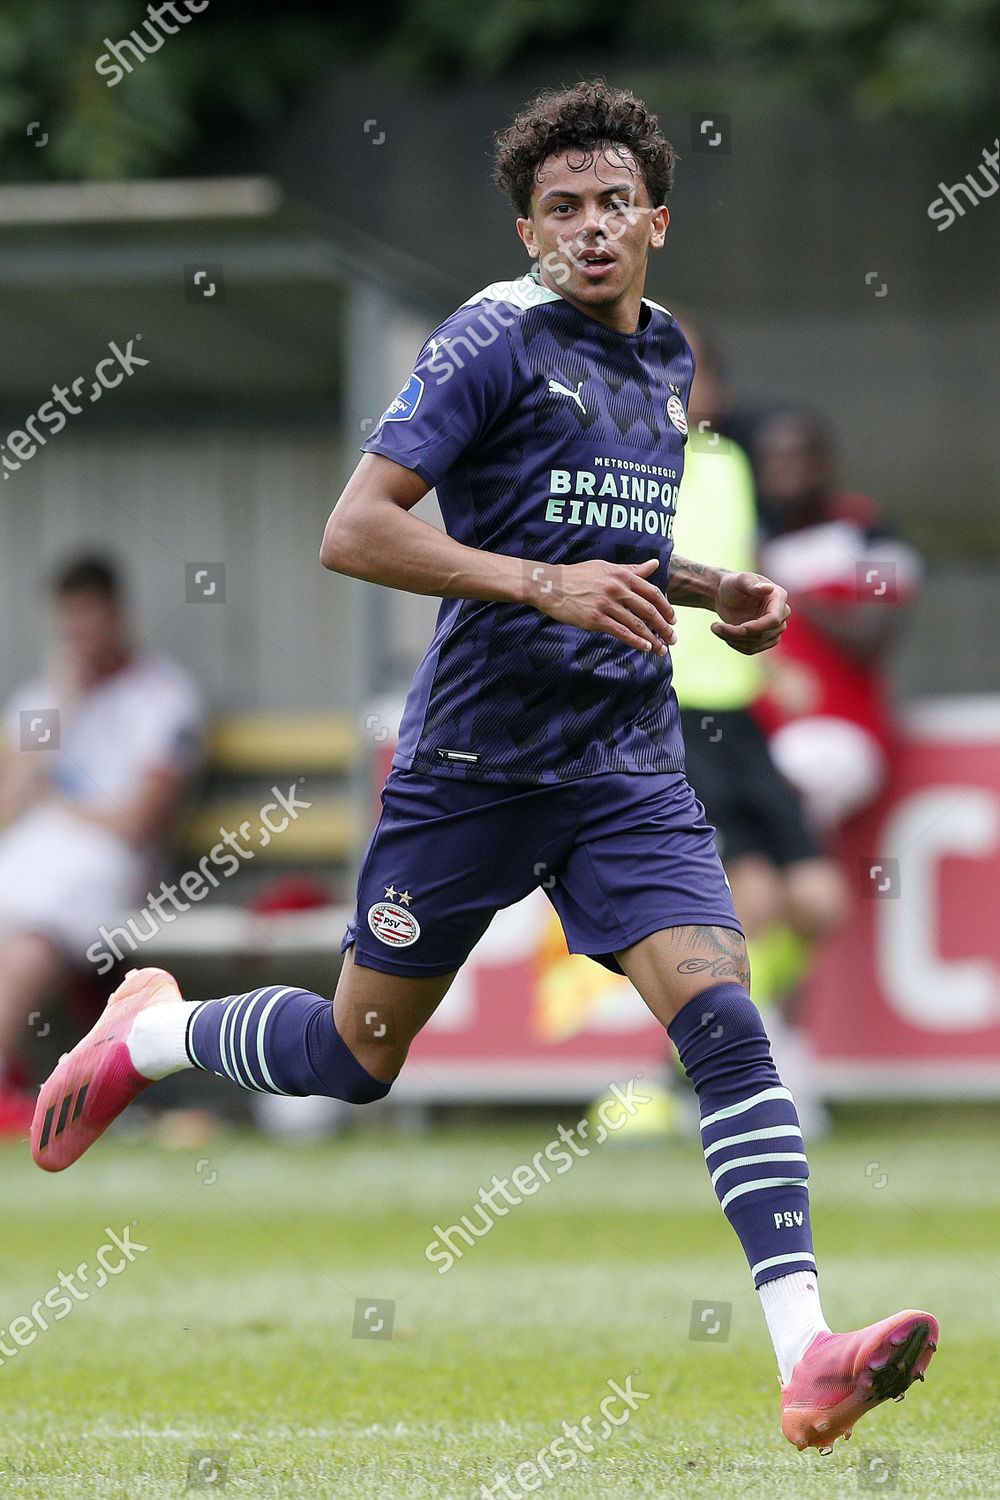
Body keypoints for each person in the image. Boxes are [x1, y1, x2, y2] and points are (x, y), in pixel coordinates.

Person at [31, 83, 936, 1452]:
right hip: (471, 760)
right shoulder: (488, 341)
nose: (588, 228)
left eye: (611, 203)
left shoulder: (668, 356)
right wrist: (544, 588)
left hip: (624, 765)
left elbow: (600, 530)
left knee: (724, 1015)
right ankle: (153, 1031)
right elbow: (356, 529)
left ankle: (807, 1351)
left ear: (657, 220)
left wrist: (703, 585)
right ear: (529, 228)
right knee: (356, 1056)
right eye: (561, 209)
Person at [670, 324, 850, 1136]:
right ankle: (743, 1080)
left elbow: (736, 575)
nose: (690, 382)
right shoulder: (634, 464)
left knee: (819, 898)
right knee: (755, 900)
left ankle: (711, 1053)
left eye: (701, 368)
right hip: (670, 710)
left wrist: (776, 667)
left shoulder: (733, 466)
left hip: (739, 715)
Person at [0, 556, 202, 1129]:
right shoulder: (46, 697)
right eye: (70, 628)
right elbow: (10, 803)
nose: (81, 639)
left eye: (90, 623)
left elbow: (140, 823)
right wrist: (64, 697)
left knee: (29, 940)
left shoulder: (163, 698)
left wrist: (59, 805)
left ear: (118, 615)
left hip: (113, 863)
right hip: (39, 849)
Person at [752, 408, 921, 831]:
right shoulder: (752, 539)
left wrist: (790, 591)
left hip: (841, 736)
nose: (782, 471)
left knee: (786, 787)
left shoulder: (869, 532)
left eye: (795, 458)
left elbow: (871, 638)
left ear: (823, 463)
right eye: (770, 461)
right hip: (764, 732)